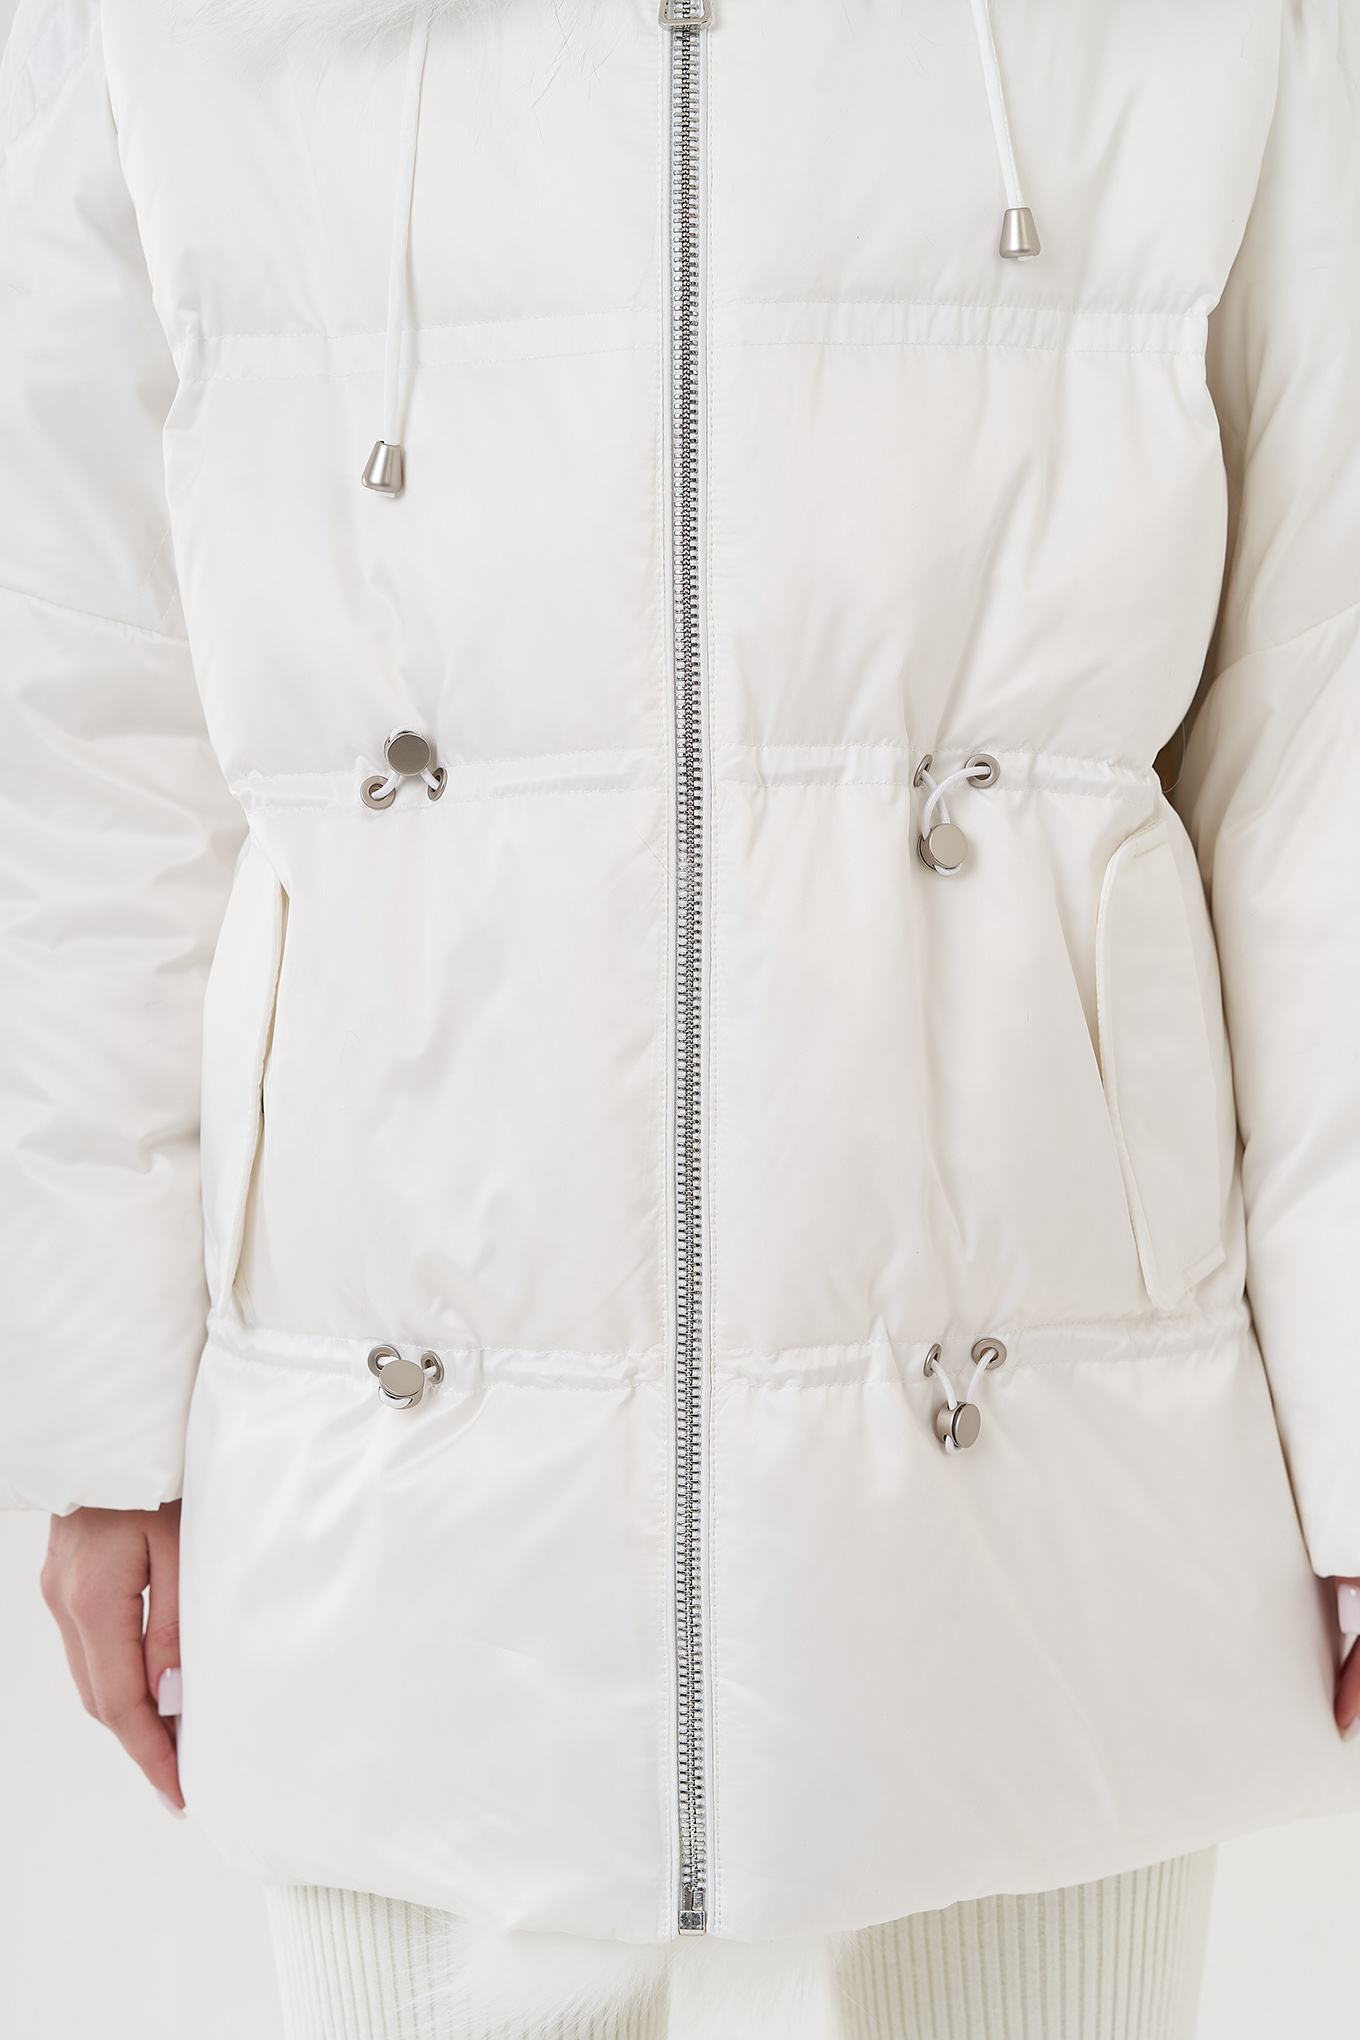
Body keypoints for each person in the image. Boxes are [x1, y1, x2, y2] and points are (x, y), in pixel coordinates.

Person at [4, 0, 1359, 2034]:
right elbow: (82, 722)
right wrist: (100, 1423)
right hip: (397, 1408)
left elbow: (1322, 708)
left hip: (1047, 1395)